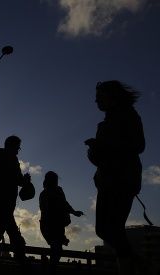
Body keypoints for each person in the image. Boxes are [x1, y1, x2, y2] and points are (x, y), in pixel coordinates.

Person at [85, 81, 145, 275]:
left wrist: (104, 148)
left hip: (123, 179)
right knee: (103, 229)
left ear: (112, 96)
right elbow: (100, 158)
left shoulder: (128, 114)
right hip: (105, 181)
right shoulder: (102, 125)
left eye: (99, 97)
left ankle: (129, 269)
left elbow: (138, 145)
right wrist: (93, 151)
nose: (96, 101)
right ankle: (143, 264)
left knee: (114, 227)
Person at [0, 135, 34, 275]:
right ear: (13, 145)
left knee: (6, 233)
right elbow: (17, 179)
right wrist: (25, 180)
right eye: (18, 147)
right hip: (6, 201)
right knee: (5, 234)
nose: (18, 150)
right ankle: (24, 266)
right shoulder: (10, 158)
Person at [39, 171, 84, 274]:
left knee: (55, 248)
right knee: (57, 249)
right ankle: (50, 269)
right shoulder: (57, 190)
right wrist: (73, 212)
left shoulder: (43, 194)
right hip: (54, 224)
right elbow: (64, 204)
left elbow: (45, 210)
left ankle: (50, 268)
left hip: (46, 225)